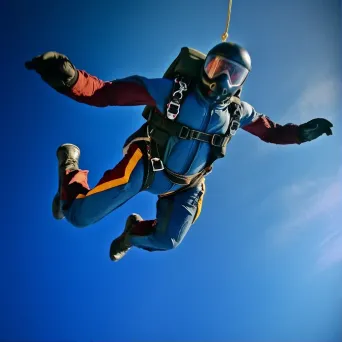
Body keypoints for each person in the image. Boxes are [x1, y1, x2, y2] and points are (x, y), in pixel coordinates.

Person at [25, 42, 333, 261]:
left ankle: (131, 234)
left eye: (232, 75)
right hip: (148, 164)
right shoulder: (173, 90)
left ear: (241, 83)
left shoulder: (239, 111)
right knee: (78, 216)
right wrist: (70, 79)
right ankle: (68, 169)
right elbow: (108, 93)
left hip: (188, 183)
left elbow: (270, 130)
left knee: (168, 240)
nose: (222, 80)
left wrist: (300, 133)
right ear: (204, 68)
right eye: (215, 69)